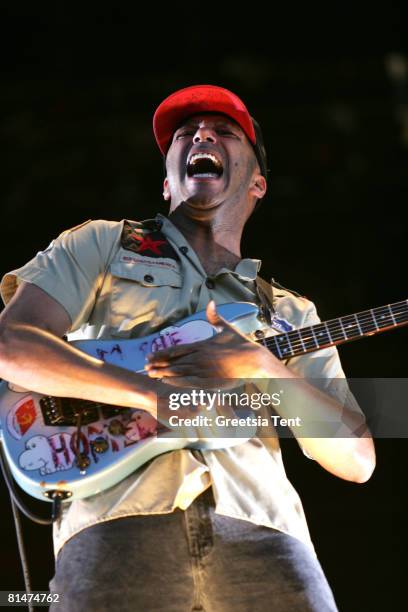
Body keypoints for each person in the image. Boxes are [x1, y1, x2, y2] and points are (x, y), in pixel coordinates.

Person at [0, 85, 375, 611]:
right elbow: (12, 347)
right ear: (166, 183)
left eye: (224, 132)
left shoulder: (290, 312)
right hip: (115, 524)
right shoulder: (102, 245)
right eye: (186, 134)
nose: (202, 135)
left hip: (267, 534)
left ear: (258, 184)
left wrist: (262, 364)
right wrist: (151, 394)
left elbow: (357, 460)